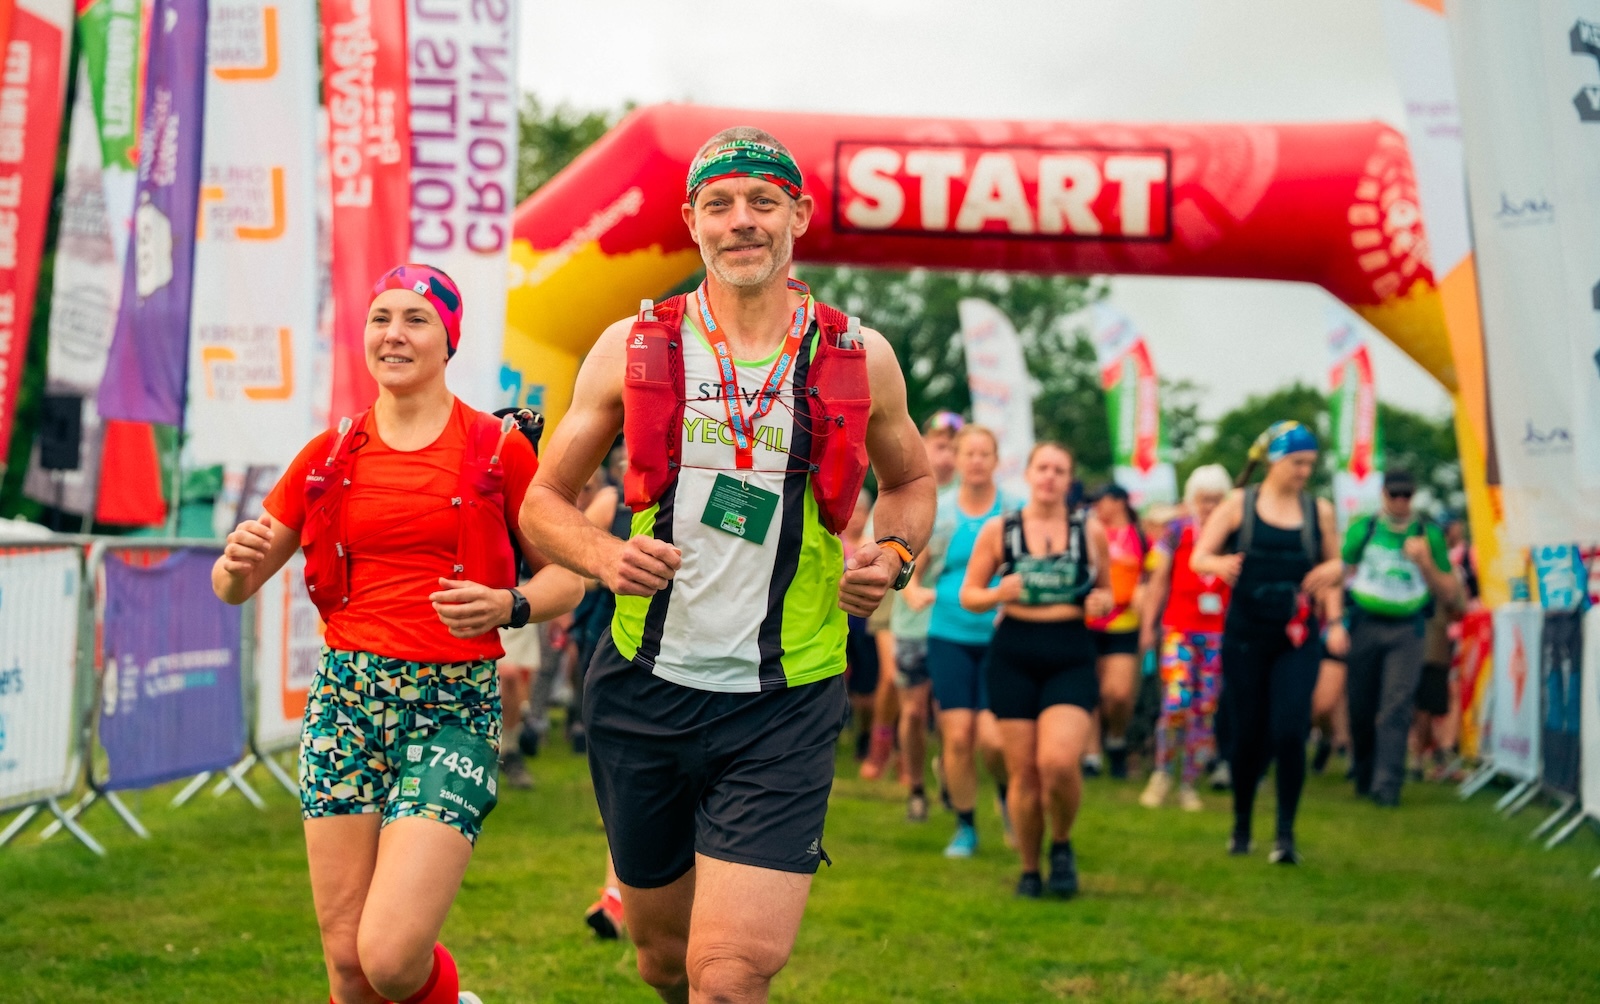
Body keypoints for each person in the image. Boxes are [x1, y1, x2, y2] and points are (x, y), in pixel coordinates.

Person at [521, 126, 935, 1004]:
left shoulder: (858, 354)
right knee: (664, 964)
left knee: (730, 976)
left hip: (787, 698)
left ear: (799, 215)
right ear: (691, 223)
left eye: (761, 201)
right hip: (644, 688)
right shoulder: (632, 346)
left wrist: (893, 552)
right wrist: (604, 554)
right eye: (719, 204)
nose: (741, 221)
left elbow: (913, 482)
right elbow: (541, 501)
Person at [211, 264, 585, 1004]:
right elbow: (236, 586)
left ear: (448, 339)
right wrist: (232, 564)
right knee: (348, 965)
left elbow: (567, 577)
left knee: (388, 956)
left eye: (415, 318)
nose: (393, 333)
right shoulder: (329, 454)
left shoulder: (497, 449)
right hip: (347, 705)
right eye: (381, 318)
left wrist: (508, 605)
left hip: (450, 708)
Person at [1191, 421, 1347, 865]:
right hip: (1246, 635)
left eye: (1310, 465)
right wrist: (1218, 564)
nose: (1303, 472)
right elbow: (1199, 554)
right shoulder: (1241, 504)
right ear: (1275, 460)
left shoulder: (1320, 512)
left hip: (1297, 636)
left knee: (1290, 729)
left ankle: (1285, 834)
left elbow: (1332, 566)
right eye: (1297, 463)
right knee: (1249, 732)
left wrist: (1335, 608)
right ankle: (1241, 822)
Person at [960, 443, 1112, 897]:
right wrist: (997, 594)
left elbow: (1105, 593)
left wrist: (1103, 603)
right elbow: (970, 594)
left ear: (1069, 480)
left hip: (1069, 651)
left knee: (1058, 762)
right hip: (1014, 653)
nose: (1049, 477)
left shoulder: (1090, 531)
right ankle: (1030, 867)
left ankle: (1061, 843)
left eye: (1059, 470)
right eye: (1042, 468)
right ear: (1028, 474)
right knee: (1023, 772)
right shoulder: (1000, 530)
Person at [921, 424, 1015, 858]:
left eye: (984, 453)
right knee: (957, 737)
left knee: (994, 741)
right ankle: (965, 826)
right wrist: (913, 588)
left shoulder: (1015, 510)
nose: (976, 461)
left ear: (996, 461)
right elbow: (911, 564)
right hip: (948, 633)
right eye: (968, 453)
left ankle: (1005, 793)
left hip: (1001, 637)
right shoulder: (938, 511)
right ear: (956, 460)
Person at [1342, 469, 1459, 806]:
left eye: (1406, 495)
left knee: (1396, 705)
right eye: (1394, 494)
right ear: (1383, 494)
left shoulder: (1428, 534)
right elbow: (1342, 570)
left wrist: (1424, 562)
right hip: (1364, 622)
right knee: (1361, 706)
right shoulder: (1364, 528)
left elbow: (1449, 592)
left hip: (1408, 627)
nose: (1400, 501)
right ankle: (1364, 773)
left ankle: (1388, 785)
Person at [881, 412, 963, 816]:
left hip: (957, 626)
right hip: (912, 623)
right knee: (913, 711)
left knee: (950, 712)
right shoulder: (906, 491)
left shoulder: (974, 499)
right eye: (939, 445)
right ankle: (916, 788)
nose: (946, 455)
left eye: (954, 447)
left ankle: (951, 772)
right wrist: (908, 588)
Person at [1139, 464, 1232, 811]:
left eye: (1215, 499)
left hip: (1216, 634)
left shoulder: (1232, 534)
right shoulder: (1176, 531)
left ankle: (1189, 781)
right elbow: (1158, 580)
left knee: (1203, 708)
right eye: (1202, 499)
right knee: (1176, 703)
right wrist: (1149, 626)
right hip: (1179, 628)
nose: (1208, 506)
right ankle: (1162, 772)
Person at [1085, 484, 1150, 779]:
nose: (1099, 506)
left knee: (1119, 693)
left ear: (1120, 502)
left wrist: (1145, 589)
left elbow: (1154, 570)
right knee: (1089, 689)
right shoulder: (1090, 530)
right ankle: (1091, 754)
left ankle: (1117, 738)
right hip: (1088, 621)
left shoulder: (1140, 535)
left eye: (1103, 500)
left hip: (1124, 623)